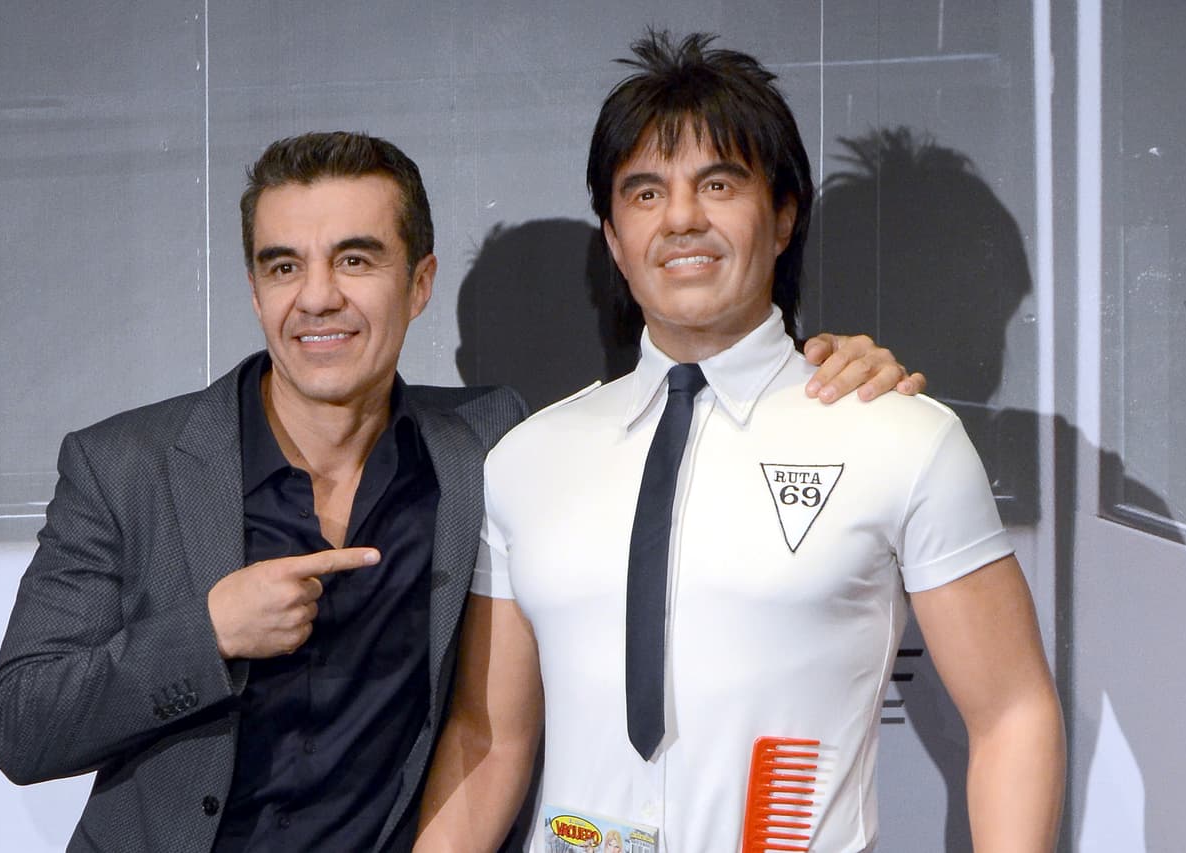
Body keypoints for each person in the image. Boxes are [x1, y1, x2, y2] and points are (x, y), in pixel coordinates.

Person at [0, 130, 915, 853]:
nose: (317, 297)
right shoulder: (126, 465)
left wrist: (817, 371)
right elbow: (21, 726)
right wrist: (210, 631)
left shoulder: (496, 446)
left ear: (419, 281)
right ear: (257, 289)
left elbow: (678, 412)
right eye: (284, 265)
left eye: (355, 259)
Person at [416, 31, 1065, 853]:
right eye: (645, 192)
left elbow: (1012, 712)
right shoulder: (526, 462)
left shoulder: (900, 438)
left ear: (783, 215)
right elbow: (488, 736)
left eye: (718, 183)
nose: (682, 218)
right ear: (613, 237)